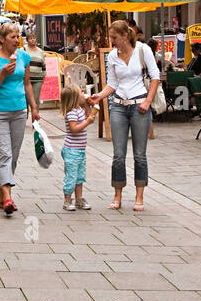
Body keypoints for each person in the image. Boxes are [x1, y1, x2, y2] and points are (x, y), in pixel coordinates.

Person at [88, 20, 161, 212]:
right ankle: (117, 195)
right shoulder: (112, 56)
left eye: (114, 38)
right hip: (118, 106)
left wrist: (147, 101)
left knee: (140, 154)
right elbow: (112, 83)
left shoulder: (143, 50)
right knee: (118, 155)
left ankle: (139, 196)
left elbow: (155, 77)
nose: (112, 42)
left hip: (139, 106)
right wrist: (99, 96)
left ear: (125, 36)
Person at [0, 22, 39, 215]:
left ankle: (2, 194)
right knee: (5, 154)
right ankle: (8, 198)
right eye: (13, 37)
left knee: (13, 156)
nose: (17, 40)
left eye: (18, 37)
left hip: (19, 111)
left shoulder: (23, 57)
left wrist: (34, 107)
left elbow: (27, 84)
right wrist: (2, 74)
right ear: (2, 39)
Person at [59, 84, 95, 212]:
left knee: (80, 176)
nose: (83, 94)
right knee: (71, 176)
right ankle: (67, 200)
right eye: (81, 92)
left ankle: (79, 199)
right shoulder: (71, 113)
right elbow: (74, 129)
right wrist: (87, 122)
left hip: (80, 151)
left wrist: (88, 106)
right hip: (71, 151)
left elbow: (87, 117)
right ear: (74, 98)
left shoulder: (79, 109)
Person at [23, 27, 46, 101]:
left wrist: (43, 76)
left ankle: (36, 112)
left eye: (34, 38)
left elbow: (43, 65)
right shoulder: (23, 50)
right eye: (30, 38)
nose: (33, 40)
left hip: (38, 79)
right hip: (26, 79)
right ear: (27, 40)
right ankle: (26, 113)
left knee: (36, 100)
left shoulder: (40, 51)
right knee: (25, 100)